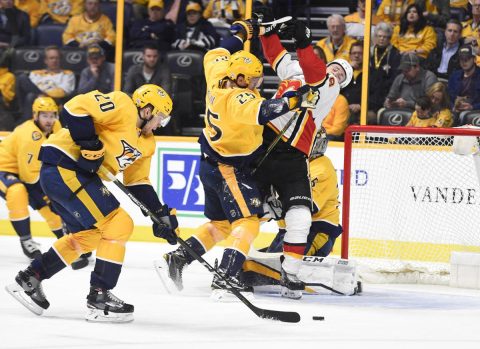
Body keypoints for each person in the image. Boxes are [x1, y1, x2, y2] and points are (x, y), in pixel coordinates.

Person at [155, 18, 310, 299]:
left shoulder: (217, 72)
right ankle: (226, 276)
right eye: (252, 80)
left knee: (221, 225)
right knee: (248, 222)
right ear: (239, 79)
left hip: (210, 162)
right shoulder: (238, 100)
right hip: (229, 168)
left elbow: (220, 50)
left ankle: (178, 258)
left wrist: (241, 33)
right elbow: (266, 111)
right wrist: (295, 99)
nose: (256, 83)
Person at [6, 84, 179, 322]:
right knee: (119, 223)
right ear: (147, 110)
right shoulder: (123, 105)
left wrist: (160, 214)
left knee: (92, 235)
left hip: (73, 175)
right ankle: (100, 297)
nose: (160, 124)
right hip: (64, 165)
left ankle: (31, 277)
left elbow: (137, 181)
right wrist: (90, 144)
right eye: (160, 117)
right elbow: (74, 109)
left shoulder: (147, 143)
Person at [0, 97, 84, 263]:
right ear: (35, 115)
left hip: (27, 172)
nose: (49, 120)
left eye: (52, 115)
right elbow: (30, 177)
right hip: (5, 168)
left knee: (51, 210)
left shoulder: (56, 128)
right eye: (44, 115)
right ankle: (26, 240)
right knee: (17, 192)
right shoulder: (29, 136)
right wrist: (50, 197)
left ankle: (69, 244)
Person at [16, 46, 76, 121]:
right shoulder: (36, 73)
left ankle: (26, 122)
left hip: (53, 103)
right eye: (51, 58)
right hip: (35, 102)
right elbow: (29, 89)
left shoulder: (67, 74)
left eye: (57, 58)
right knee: (22, 78)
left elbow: (64, 91)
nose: (54, 60)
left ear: (60, 60)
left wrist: (43, 95)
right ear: (46, 60)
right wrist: (39, 95)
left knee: (31, 96)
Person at [368, 22, 401, 123]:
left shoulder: (395, 53)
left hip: (385, 93)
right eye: (379, 36)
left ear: (390, 38)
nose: (382, 39)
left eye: (385, 37)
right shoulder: (369, 51)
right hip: (369, 91)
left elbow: (395, 78)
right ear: (375, 37)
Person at [448, 45, 480, 116]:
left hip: (475, 111)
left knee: (463, 115)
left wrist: (472, 107)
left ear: (474, 59)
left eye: (467, 58)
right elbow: (448, 97)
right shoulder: (454, 76)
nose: (464, 61)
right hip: (455, 110)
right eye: (461, 59)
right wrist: (453, 106)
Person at [342, 41, 363, 125]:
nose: (356, 56)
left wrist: (360, 106)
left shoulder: (372, 73)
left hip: (364, 110)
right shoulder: (343, 73)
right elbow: (337, 90)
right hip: (344, 108)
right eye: (354, 53)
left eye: (360, 53)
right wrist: (349, 69)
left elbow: (376, 96)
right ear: (350, 55)